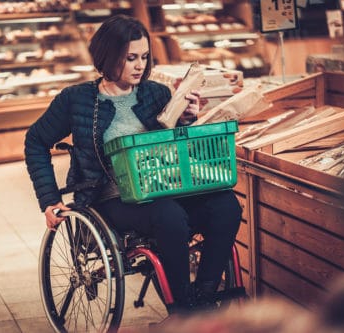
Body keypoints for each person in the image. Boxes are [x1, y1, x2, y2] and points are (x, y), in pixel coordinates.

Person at [24, 14, 242, 315]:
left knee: (226, 205)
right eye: (130, 58)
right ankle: (183, 309)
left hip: (167, 185)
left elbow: (174, 142)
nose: (140, 65)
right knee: (169, 216)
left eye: (144, 57)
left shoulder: (157, 93)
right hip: (111, 197)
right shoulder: (76, 100)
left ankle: (202, 295)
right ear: (108, 56)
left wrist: (186, 117)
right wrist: (49, 200)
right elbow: (35, 140)